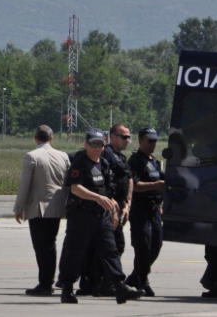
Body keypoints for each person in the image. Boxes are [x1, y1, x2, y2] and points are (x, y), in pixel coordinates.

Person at [55, 129, 139, 305]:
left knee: (111, 251)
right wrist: (98, 198)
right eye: (93, 144)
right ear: (86, 145)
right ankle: (68, 289)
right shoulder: (79, 163)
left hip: (101, 217)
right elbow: (75, 188)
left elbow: (108, 191)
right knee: (74, 252)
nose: (97, 148)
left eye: (100, 144)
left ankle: (119, 287)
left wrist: (113, 210)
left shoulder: (105, 164)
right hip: (81, 216)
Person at [13, 124, 70, 296]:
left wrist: (18, 208)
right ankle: (48, 281)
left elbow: (24, 185)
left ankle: (45, 283)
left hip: (37, 208)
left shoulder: (32, 156)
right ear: (51, 138)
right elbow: (67, 183)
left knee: (41, 247)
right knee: (50, 245)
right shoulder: (63, 156)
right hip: (57, 206)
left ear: (35, 138)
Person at [126, 127, 164, 297]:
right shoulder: (135, 161)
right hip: (140, 210)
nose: (153, 144)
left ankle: (135, 277)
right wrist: (155, 185)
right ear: (141, 141)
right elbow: (134, 185)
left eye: (155, 141)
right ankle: (142, 281)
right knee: (142, 248)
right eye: (150, 141)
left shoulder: (154, 162)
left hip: (154, 211)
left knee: (156, 245)